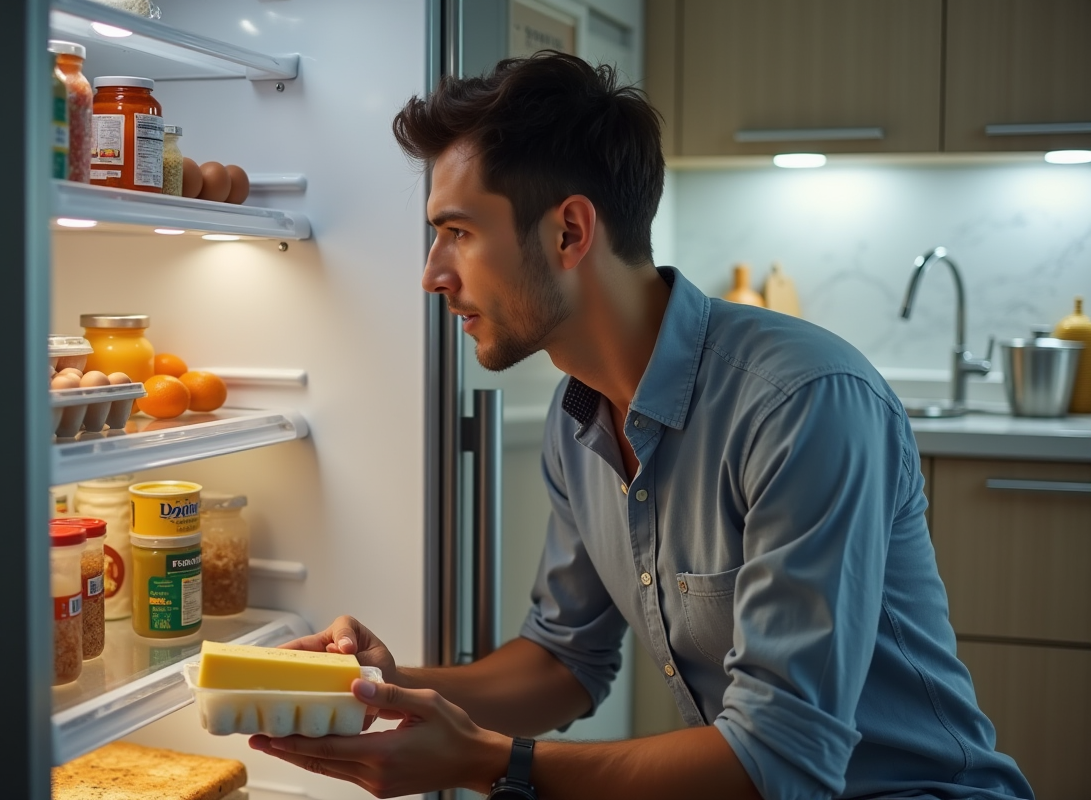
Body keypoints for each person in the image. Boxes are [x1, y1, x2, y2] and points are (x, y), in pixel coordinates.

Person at [249, 51, 1034, 800]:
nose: (432, 274)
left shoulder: (801, 405)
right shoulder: (579, 412)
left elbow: (780, 762)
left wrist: (490, 765)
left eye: (458, 232)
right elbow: (563, 664)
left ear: (569, 232)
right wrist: (386, 688)